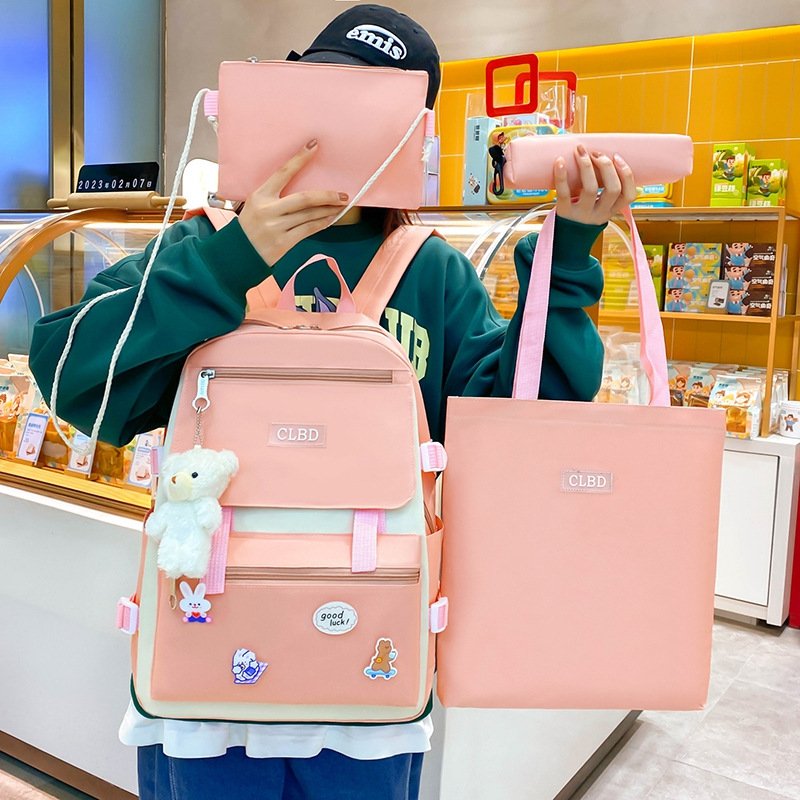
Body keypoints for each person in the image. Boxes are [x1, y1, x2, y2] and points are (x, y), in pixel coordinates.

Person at [28, 5, 637, 799]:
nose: (334, 128)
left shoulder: (430, 273)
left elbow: (520, 430)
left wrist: (571, 251)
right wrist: (232, 258)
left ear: (412, 135)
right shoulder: (203, 245)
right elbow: (73, 376)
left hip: (370, 676)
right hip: (205, 681)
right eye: (319, 91)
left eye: (370, 110)